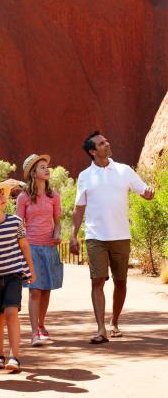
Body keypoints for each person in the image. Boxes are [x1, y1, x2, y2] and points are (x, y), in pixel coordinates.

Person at [69, 131, 154, 344]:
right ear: (92, 151)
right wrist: (73, 236)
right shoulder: (85, 176)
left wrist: (149, 193)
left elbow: (143, 190)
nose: (107, 144)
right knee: (97, 281)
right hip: (95, 236)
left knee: (121, 282)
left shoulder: (124, 171)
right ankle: (100, 329)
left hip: (121, 235)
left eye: (106, 141)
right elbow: (79, 208)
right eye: (101, 143)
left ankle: (114, 322)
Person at [0, 179, 35, 372]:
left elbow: (24, 247)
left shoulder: (15, 222)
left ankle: (14, 357)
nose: (3, 197)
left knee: (11, 312)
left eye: (3, 194)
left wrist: (31, 270)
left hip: (13, 274)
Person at [16, 154, 63, 347]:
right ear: (33, 173)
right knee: (34, 290)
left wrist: (58, 234)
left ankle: (42, 325)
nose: (47, 169)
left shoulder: (54, 196)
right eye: (42, 167)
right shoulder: (23, 197)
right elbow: (19, 225)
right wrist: (20, 247)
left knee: (46, 290)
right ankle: (34, 332)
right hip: (31, 248)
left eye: (47, 166)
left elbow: (58, 222)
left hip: (49, 248)